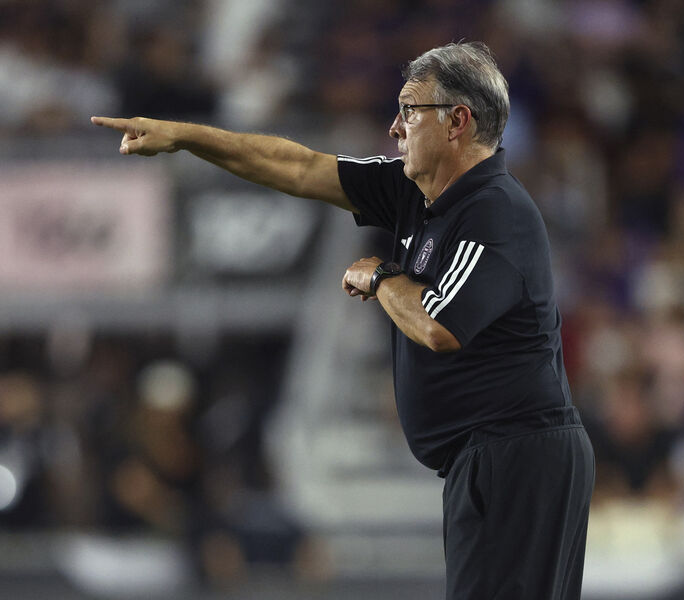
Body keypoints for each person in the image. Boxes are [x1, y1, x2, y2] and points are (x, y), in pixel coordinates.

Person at [92, 41, 594, 600]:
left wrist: (381, 277)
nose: (394, 127)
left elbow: (439, 325)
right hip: (494, 456)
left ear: (457, 121)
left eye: (409, 111)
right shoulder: (418, 195)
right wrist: (187, 137)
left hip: (517, 453)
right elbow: (299, 166)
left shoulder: (494, 209)